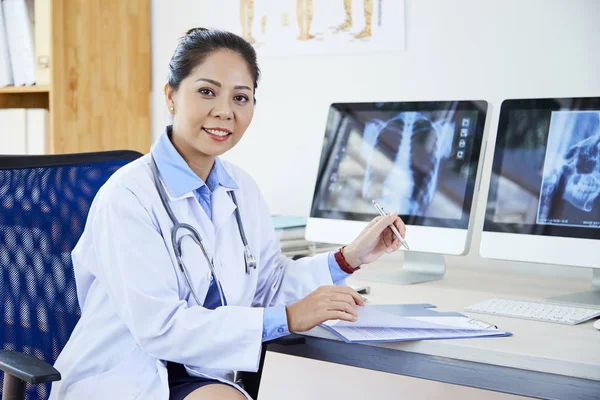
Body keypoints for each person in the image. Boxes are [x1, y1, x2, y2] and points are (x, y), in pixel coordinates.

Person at [49, 28, 406, 400]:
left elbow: (267, 283)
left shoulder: (241, 188)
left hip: (201, 373)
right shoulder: (127, 197)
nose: (224, 111)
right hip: (128, 374)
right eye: (207, 91)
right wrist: (286, 318)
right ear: (171, 96)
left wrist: (347, 259)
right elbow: (160, 328)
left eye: (241, 97)